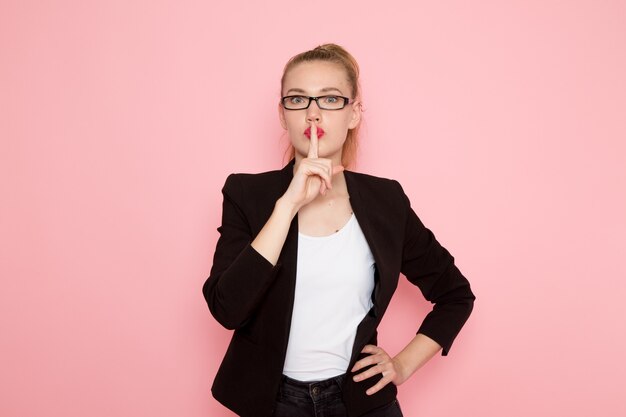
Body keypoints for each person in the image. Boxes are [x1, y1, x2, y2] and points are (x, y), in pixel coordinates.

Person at [202, 44, 476, 417]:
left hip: (361, 403)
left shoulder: (386, 200)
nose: (313, 113)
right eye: (298, 99)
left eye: (330, 99)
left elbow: (455, 294)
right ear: (282, 115)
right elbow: (227, 309)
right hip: (275, 404)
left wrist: (403, 364)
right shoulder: (246, 193)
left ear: (354, 113)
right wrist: (288, 206)